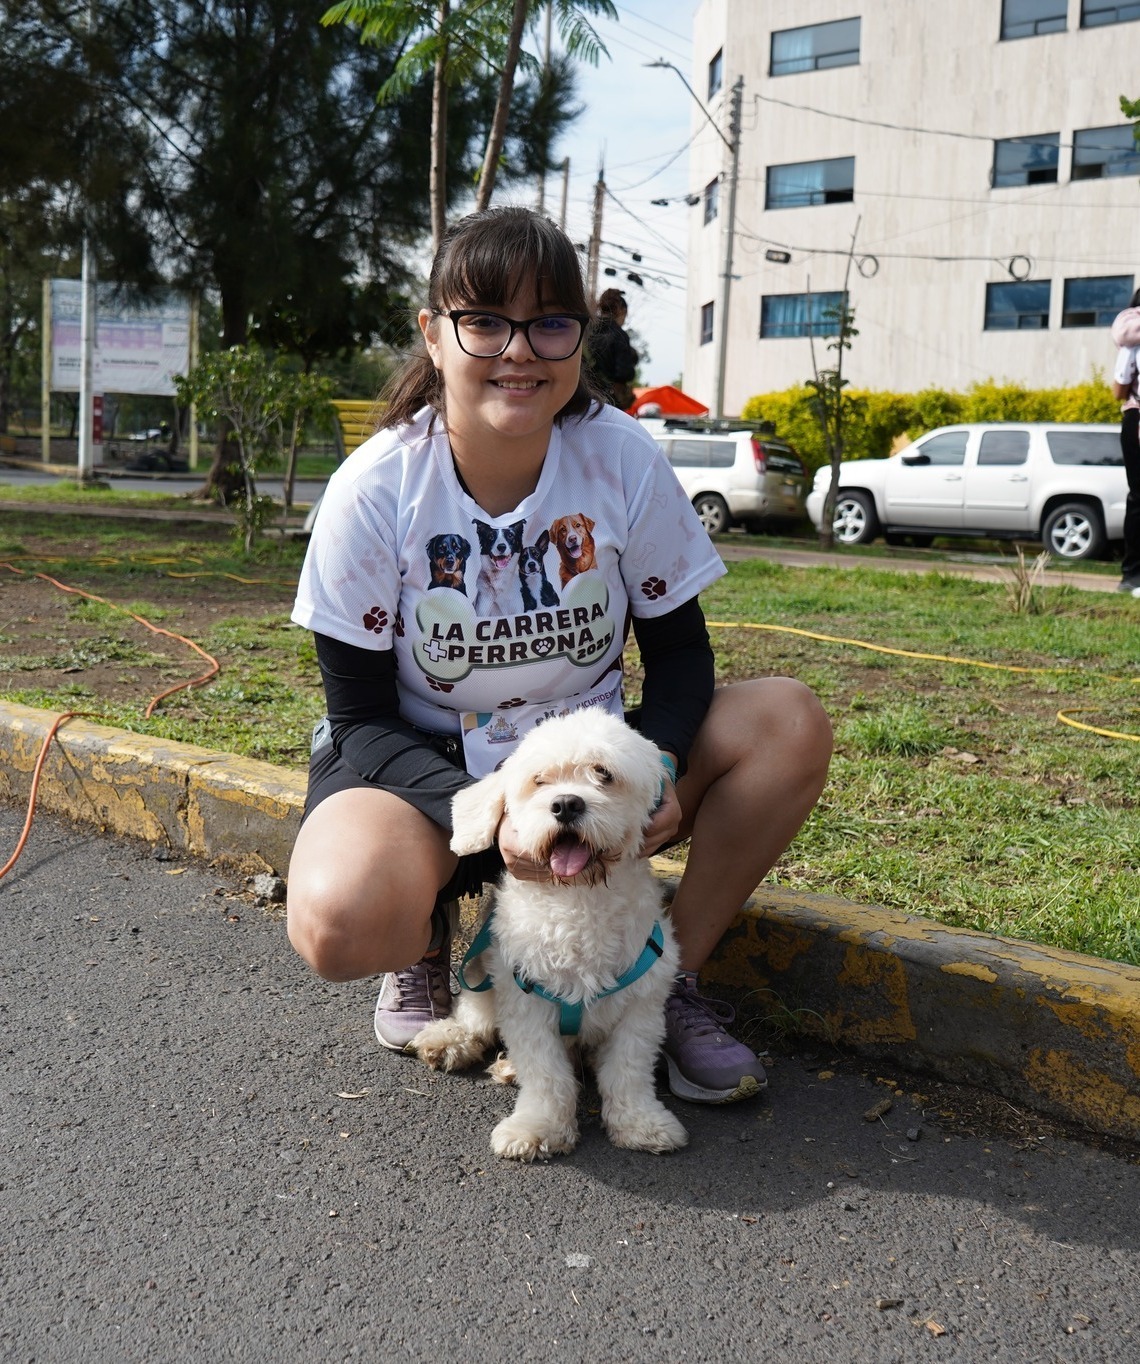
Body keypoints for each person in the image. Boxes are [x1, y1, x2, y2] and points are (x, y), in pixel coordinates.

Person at [286, 206, 833, 1105]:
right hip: (425, 772)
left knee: (788, 721)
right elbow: (362, 719)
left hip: (587, 775)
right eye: (485, 321)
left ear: (581, 336)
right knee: (340, 920)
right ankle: (427, 937)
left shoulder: (621, 456)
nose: (519, 351)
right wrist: (492, 812)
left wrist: (658, 767)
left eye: (549, 323)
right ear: (433, 334)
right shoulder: (375, 490)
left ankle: (667, 976)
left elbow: (681, 658)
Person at [1111, 286, 1140, 596]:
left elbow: (1119, 390)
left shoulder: (1131, 341)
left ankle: (1132, 574)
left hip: (1137, 415)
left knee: (1138, 498)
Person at [587, 287, 639, 411]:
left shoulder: (588, 331)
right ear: (621, 311)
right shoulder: (619, 335)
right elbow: (623, 372)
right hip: (610, 399)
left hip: (585, 395)